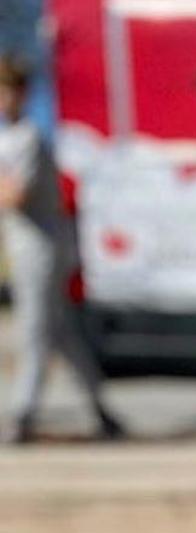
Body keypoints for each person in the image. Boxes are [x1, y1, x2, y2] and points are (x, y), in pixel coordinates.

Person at [0, 57, 123, 444]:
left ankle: (22, 415)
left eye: (8, 91)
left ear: (22, 94)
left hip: (39, 247)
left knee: (33, 330)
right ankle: (101, 410)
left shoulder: (28, 138)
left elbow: (15, 196)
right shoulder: (8, 138)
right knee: (63, 334)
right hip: (23, 244)